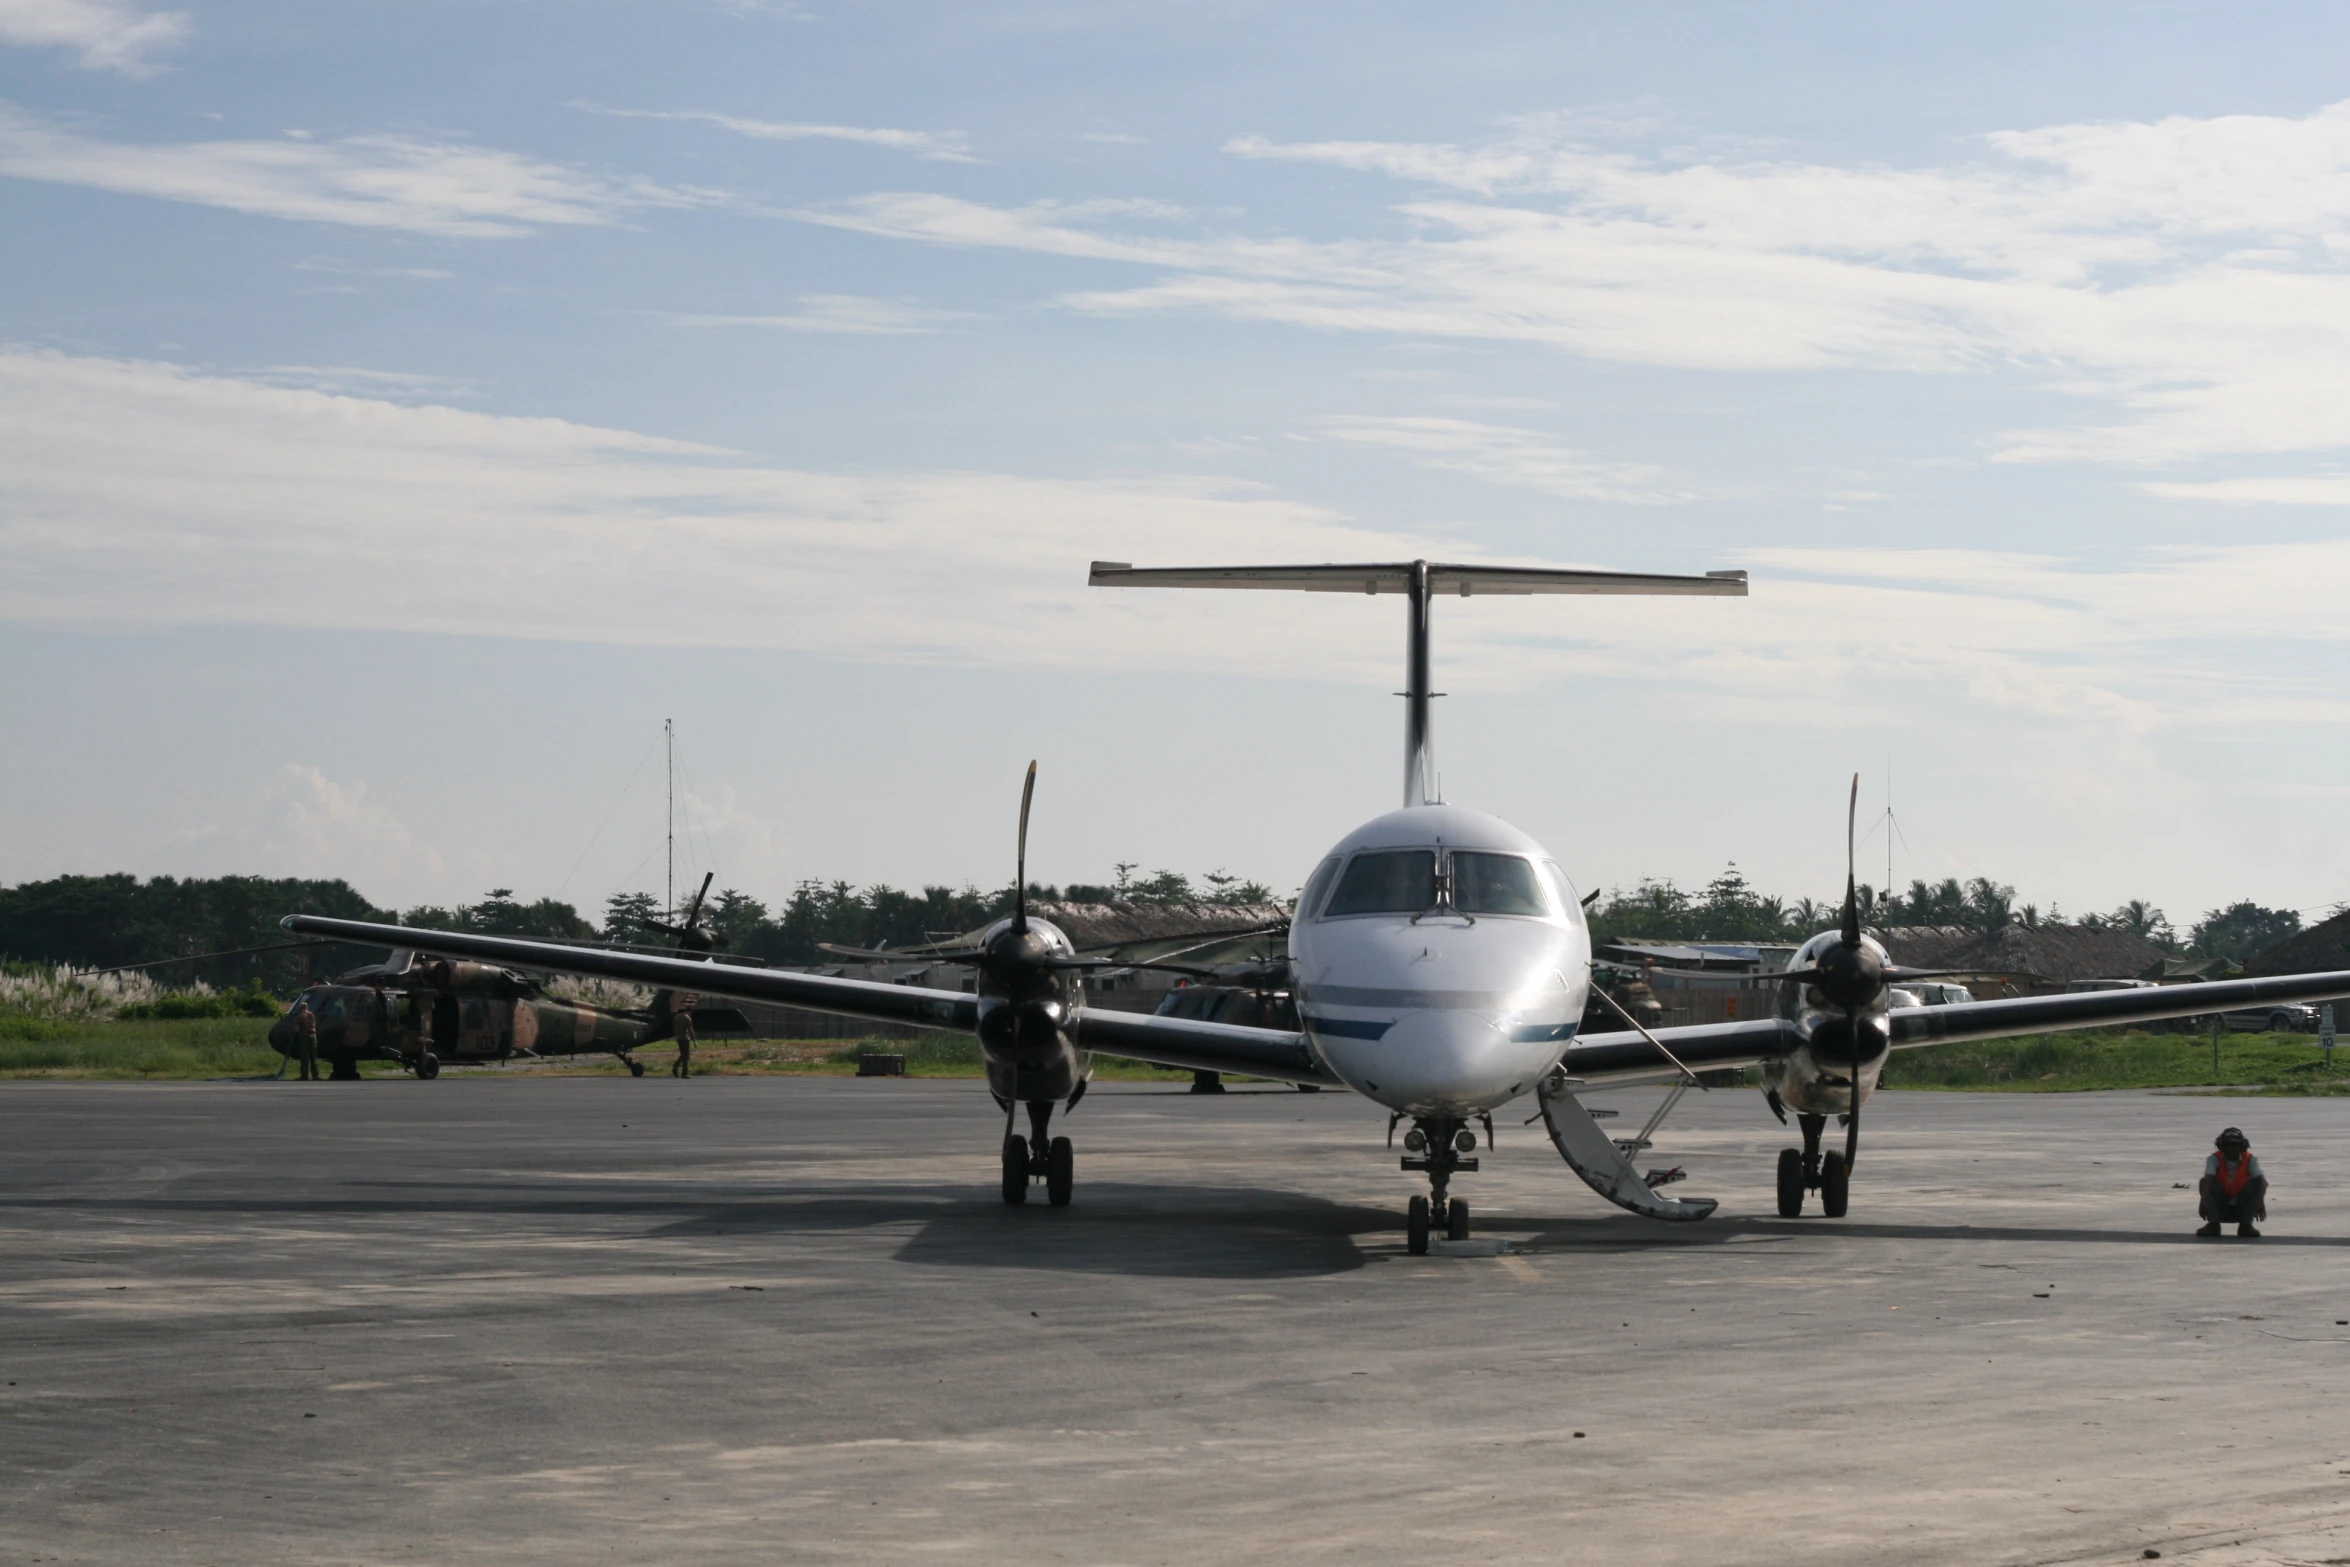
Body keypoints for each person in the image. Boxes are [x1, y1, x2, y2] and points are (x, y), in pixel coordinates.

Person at [2198, 1126, 2266, 1238]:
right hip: (2220, 1205)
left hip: (2241, 1205)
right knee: (2206, 1182)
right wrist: (2203, 1201)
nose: (2232, 1148)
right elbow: (2208, 1179)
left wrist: (2260, 1201)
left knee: (2255, 1183)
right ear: (2222, 1146)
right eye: (2228, 1144)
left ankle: (2246, 1225)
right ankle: (2213, 1224)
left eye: (2235, 1144)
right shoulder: (2214, 1159)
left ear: (2242, 1146)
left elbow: (2262, 1181)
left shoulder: (2250, 1159)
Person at [290, 995, 319, 1082]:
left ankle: (304, 1075)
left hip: (304, 1037)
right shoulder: (312, 1015)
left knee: (304, 1057)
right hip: (313, 1037)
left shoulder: (299, 1017)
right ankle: (315, 1076)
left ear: (300, 1008)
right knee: (313, 1057)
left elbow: (296, 1029)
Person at [670, 1004, 695, 1079]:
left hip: (679, 1038)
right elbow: (690, 1030)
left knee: (683, 1054)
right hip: (685, 1038)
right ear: (690, 1011)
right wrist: (694, 1040)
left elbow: (674, 1027)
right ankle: (684, 1073)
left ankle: (675, 1066)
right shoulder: (688, 1018)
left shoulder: (676, 1016)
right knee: (686, 1056)